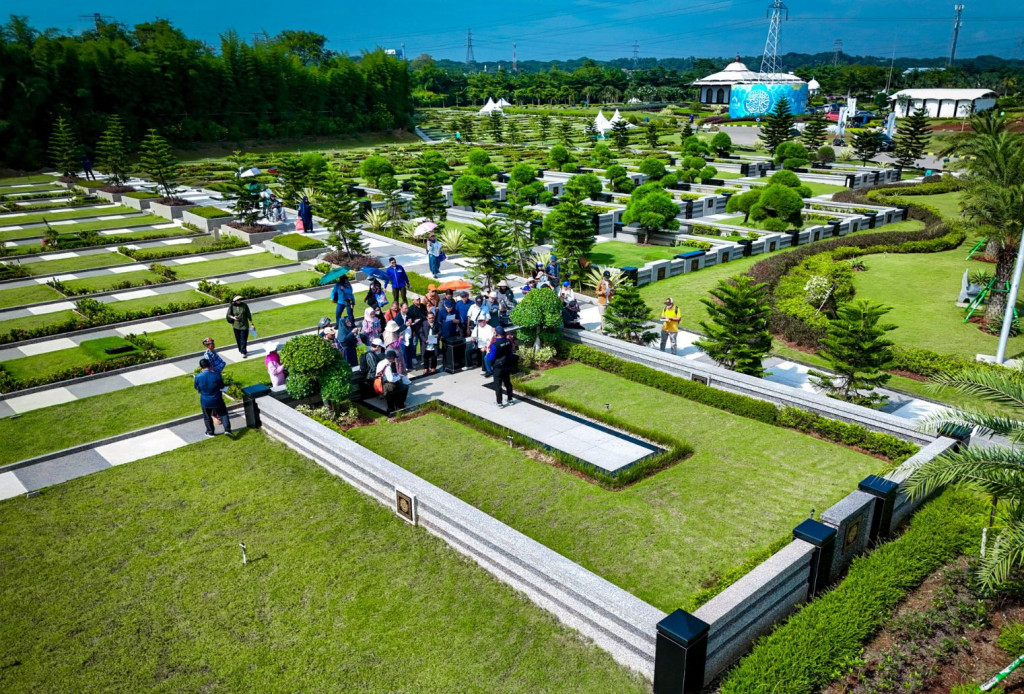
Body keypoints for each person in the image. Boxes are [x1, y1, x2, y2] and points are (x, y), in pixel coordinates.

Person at [195, 358, 232, 437]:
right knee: (223, 414)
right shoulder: (216, 375)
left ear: (201, 367)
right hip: (217, 399)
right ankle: (227, 429)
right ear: (210, 365)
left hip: (205, 400)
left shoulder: (198, 377)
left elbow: (196, 387)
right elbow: (221, 386)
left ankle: (210, 432)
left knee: (207, 417)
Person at [488, 325, 516, 408]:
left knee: (498, 385)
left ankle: (499, 402)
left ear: (496, 334)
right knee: (508, 383)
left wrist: (487, 352)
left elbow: (490, 358)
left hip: (498, 367)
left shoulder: (495, 345)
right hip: (506, 365)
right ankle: (510, 399)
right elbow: (510, 354)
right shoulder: (508, 341)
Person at [376, 350, 409, 416]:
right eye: (394, 358)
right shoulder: (388, 367)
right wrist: (399, 377)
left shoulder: (381, 362)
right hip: (386, 385)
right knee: (404, 387)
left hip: (379, 382)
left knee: (396, 385)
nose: (395, 359)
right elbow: (391, 379)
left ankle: (392, 407)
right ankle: (400, 404)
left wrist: (394, 374)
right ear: (391, 358)